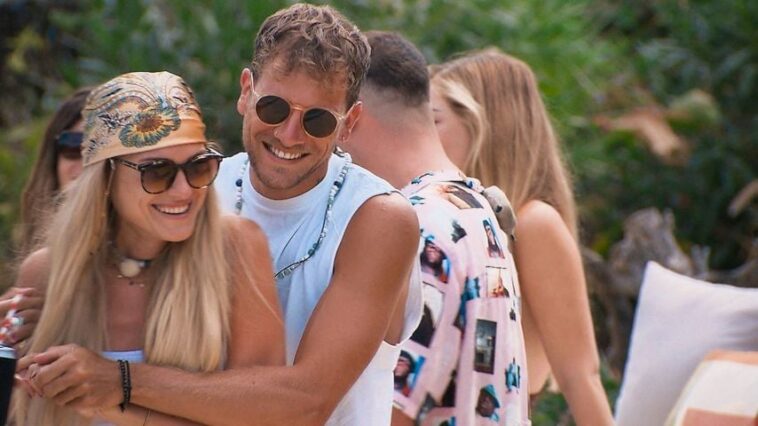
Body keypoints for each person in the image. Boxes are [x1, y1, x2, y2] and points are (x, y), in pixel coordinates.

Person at [21, 4, 422, 425]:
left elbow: (307, 402)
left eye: (317, 120)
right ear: (246, 92)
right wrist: (48, 312)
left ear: (349, 123)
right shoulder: (196, 187)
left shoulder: (376, 217)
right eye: (273, 108)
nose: (289, 134)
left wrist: (118, 380)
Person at [14, 71, 284, 425]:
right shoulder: (49, 272)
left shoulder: (235, 249)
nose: (184, 190)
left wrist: (113, 394)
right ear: (106, 178)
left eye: (199, 167)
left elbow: (266, 416)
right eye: (157, 172)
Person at [344, 31, 530, 425]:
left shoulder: (416, 227)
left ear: (353, 118)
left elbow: (392, 410)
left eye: (322, 119)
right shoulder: (474, 209)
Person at [431, 48, 614, 424]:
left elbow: (580, 376)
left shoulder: (534, 224)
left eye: (434, 120)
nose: (422, 135)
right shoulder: (460, 220)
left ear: (484, 127)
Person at [18, 87, 91, 257]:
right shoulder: (38, 264)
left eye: (101, 154)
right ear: (52, 161)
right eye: (73, 147)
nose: (86, 165)